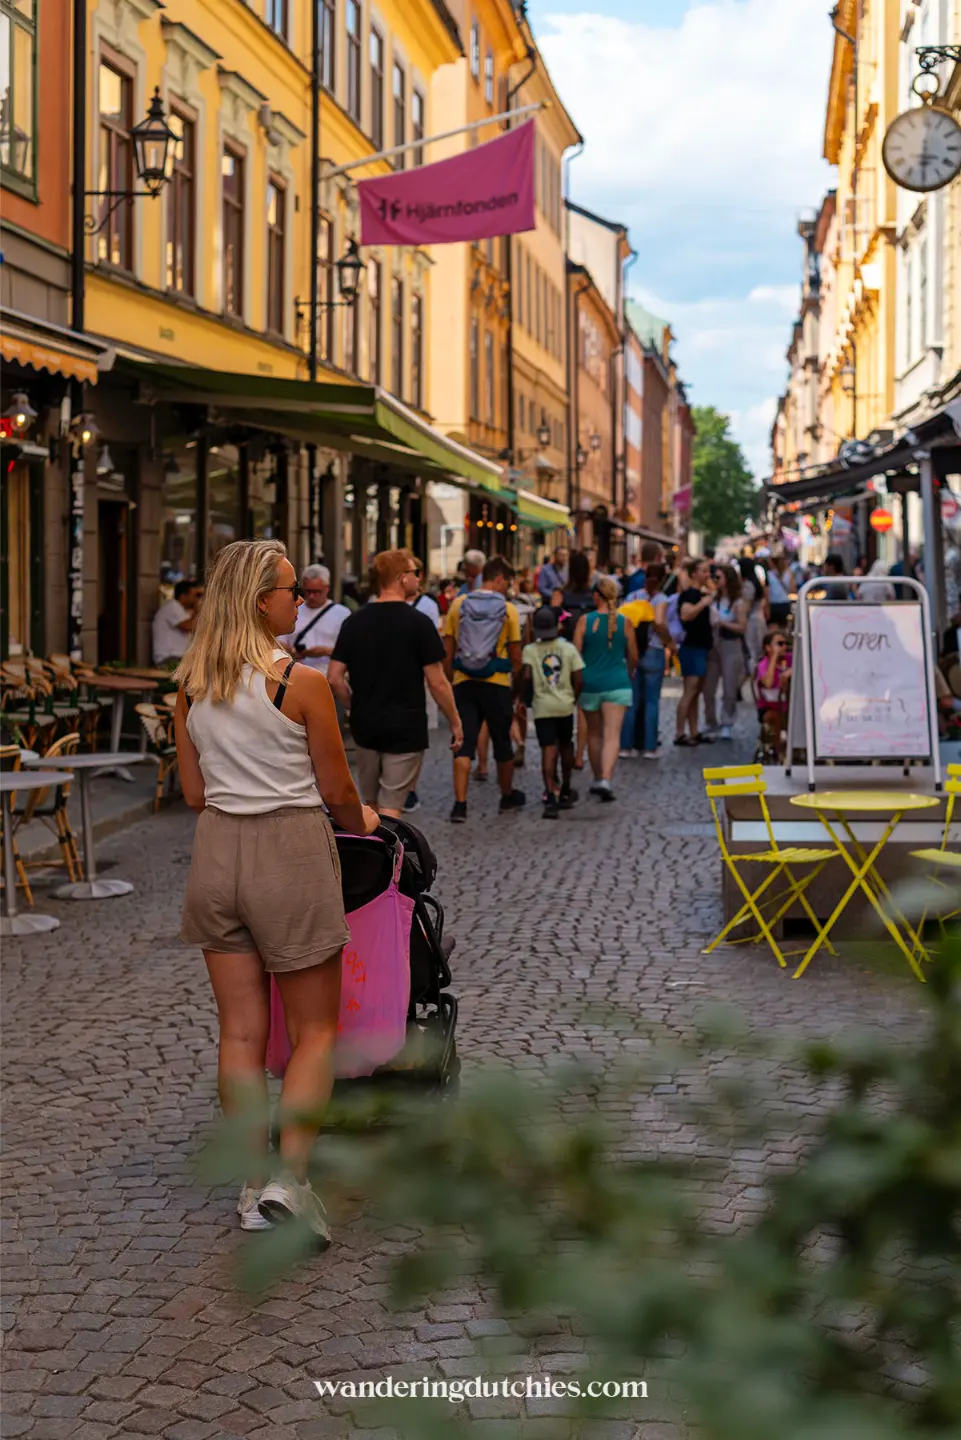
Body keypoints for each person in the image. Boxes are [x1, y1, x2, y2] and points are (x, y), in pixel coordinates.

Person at [174, 540, 379, 1243]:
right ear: (264, 602)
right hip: (287, 850)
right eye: (292, 590)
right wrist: (368, 820)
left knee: (238, 1032)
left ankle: (249, 1184)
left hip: (218, 853)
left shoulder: (191, 683)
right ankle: (291, 1182)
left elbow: (194, 794)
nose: (300, 598)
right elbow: (337, 789)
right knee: (314, 1030)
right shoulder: (300, 683)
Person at [329, 550, 462, 820]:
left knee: (371, 804)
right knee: (392, 805)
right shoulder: (419, 623)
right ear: (402, 579)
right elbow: (437, 683)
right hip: (405, 725)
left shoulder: (354, 622)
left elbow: (334, 677)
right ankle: (387, 861)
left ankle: (371, 855)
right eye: (414, 573)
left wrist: (354, 703)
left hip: (365, 724)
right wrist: (456, 722)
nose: (418, 579)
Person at [444, 555, 525, 822]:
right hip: (497, 683)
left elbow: (448, 648)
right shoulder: (508, 609)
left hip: (463, 683)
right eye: (507, 582)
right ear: (498, 578)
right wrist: (514, 685)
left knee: (463, 742)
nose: (508, 588)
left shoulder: (459, 604)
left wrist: (450, 679)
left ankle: (460, 804)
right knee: (502, 742)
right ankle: (506, 796)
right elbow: (515, 653)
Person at [574, 577, 637, 802]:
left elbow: (575, 657)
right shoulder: (625, 622)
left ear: (596, 596)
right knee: (612, 735)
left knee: (594, 734)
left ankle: (597, 776)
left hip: (590, 683)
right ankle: (606, 780)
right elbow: (634, 655)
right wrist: (628, 672)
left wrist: (576, 683)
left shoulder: (584, 621)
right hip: (617, 683)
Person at [520, 605, 584, 819]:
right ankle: (566, 787)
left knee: (548, 750)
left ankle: (551, 794)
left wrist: (522, 697)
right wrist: (573, 698)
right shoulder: (568, 649)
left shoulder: (530, 650)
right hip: (564, 705)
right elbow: (579, 678)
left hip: (542, 707)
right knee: (565, 746)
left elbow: (526, 676)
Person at [620, 561, 672, 758]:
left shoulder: (632, 597)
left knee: (631, 701)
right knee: (651, 701)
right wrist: (670, 643)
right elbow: (659, 622)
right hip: (654, 650)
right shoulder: (661, 599)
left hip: (632, 651)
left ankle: (627, 746)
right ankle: (649, 746)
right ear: (662, 580)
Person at [552, 550, 596, 769]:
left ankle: (562, 750)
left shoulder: (561, 595)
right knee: (583, 709)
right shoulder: (593, 597)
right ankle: (579, 755)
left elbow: (552, 622)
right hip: (588, 655)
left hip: (563, 654)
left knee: (563, 704)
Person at [279, 564, 351, 679]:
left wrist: (325, 651)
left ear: (327, 588)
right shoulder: (292, 610)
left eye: (317, 592)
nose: (311, 596)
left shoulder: (342, 614)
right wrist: (291, 650)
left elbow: (351, 652)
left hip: (328, 677)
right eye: (308, 591)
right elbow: (279, 641)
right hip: (295, 677)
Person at [704, 564, 749, 740]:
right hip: (714, 644)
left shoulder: (738, 602)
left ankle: (727, 722)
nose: (715, 581)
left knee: (730, 687)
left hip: (731, 644)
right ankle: (710, 720)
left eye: (719, 577)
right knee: (708, 688)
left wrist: (722, 623)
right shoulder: (713, 598)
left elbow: (742, 627)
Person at [674, 557, 716, 747]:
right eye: (703, 571)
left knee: (696, 691)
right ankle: (680, 732)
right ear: (693, 573)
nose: (707, 574)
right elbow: (686, 614)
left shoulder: (701, 593)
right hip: (692, 648)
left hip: (701, 647)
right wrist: (704, 603)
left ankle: (693, 730)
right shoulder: (690, 594)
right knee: (689, 691)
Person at [753, 629, 792, 762]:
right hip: (770, 707)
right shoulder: (762, 665)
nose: (784, 647)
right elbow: (768, 683)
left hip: (789, 706)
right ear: (768, 647)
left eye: (785, 644)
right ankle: (781, 754)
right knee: (776, 717)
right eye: (779, 644)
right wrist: (773, 659)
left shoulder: (790, 659)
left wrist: (790, 671)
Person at [153, 578, 202, 664]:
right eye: (196, 595)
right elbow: (190, 626)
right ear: (183, 595)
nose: (198, 598)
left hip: (178, 657)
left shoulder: (183, 610)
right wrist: (197, 608)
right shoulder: (172, 606)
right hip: (169, 658)